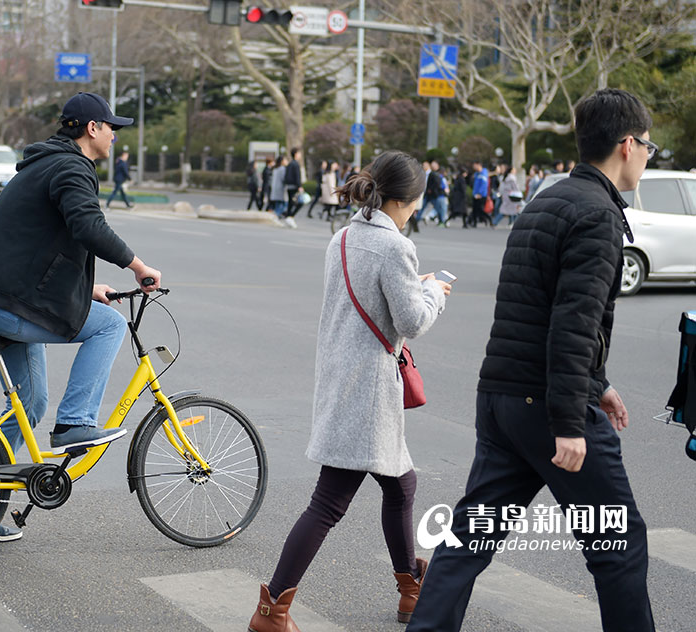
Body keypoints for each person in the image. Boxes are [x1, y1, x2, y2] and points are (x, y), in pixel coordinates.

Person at [407, 88, 657, 632]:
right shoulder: (598, 215)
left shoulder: (547, 198)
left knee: (470, 535)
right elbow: (573, 323)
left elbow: (536, 309)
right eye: (648, 148)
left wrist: (600, 381)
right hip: (547, 405)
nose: (646, 157)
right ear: (628, 144)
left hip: (502, 397)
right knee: (620, 544)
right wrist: (570, 422)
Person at [248, 151, 450, 632]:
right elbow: (412, 321)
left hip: (343, 379)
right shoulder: (395, 247)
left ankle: (410, 590)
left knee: (401, 484)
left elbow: (367, 297)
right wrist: (435, 294)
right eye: (416, 203)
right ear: (404, 200)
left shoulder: (342, 238)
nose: (416, 211)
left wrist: (412, 286)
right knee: (329, 503)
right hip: (367, 392)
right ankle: (272, 609)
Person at [0, 92, 162, 542]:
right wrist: (138, 267)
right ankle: (75, 424)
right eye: (111, 128)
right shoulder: (70, 167)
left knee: (28, 405)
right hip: (7, 304)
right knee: (108, 325)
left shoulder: (47, 163)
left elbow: (37, 248)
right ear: (92, 129)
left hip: (1, 298)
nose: (113, 136)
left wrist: (89, 288)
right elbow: (88, 227)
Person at [282, 147, 303, 228]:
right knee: (299, 202)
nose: (300, 155)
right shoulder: (296, 164)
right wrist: (299, 186)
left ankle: (289, 217)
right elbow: (297, 176)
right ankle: (290, 217)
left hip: (289, 186)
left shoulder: (290, 163)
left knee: (291, 203)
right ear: (296, 154)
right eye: (299, 153)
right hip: (294, 186)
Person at [469, 161, 490, 227]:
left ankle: (490, 220)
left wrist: (480, 193)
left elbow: (484, 185)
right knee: (475, 209)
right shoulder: (476, 174)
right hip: (475, 194)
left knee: (480, 210)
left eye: (475, 165)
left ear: (478, 165)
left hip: (481, 195)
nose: (473, 167)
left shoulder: (483, 173)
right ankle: (474, 223)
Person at [270, 155, 288, 225]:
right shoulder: (282, 169)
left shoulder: (275, 169)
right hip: (280, 189)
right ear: (282, 161)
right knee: (284, 205)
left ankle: (275, 217)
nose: (287, 161)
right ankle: (275, 217)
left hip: (275, 189)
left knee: (278, 204)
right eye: (285, 160)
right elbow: (284, 179)